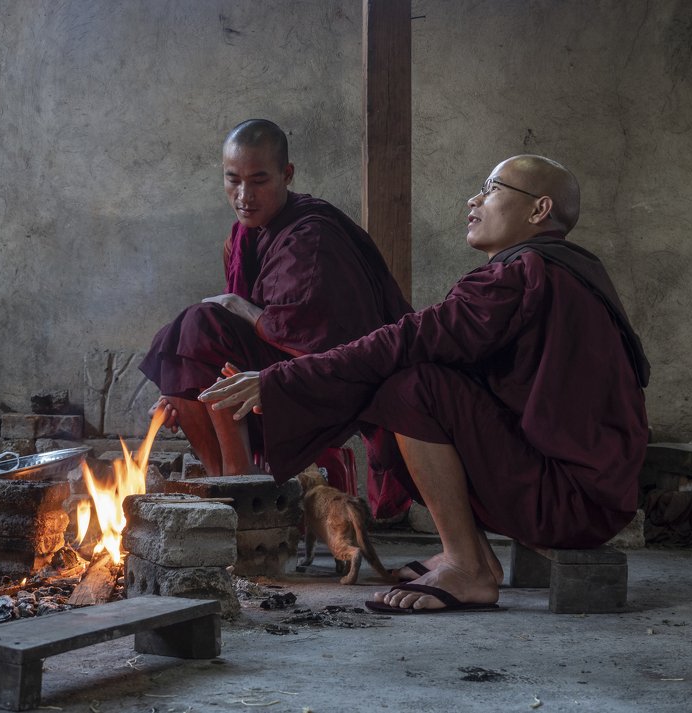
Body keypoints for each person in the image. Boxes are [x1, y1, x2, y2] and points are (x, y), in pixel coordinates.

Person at [199, 154, 650, 613]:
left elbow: (407, 340)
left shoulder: (520, 274)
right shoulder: (561, 270)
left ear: (539, 211)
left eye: (492, 190)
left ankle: (467, 568)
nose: (474, 199)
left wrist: (285, 379)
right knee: (423, 380)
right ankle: (475, 557)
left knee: (409, 389)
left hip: (569, 504)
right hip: (591, 498)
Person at [139, 119, 412, 483]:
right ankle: (225, 478)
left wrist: (237, 305)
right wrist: (180, 392)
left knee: (200, 325)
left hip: (325, 379)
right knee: (182, 347)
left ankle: (239, 477)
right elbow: (230, 343)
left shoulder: (312, 236)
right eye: (233, 179)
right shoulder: (240, 237)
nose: (243, 196)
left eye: (259, 180)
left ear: (287, 174)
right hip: (267, 370)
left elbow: (318, 340)